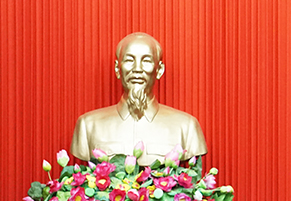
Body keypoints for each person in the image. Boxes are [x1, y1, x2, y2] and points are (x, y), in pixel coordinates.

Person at [70, 32, 207, 166]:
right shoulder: (88, 125)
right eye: (129, 60)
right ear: (117, 69)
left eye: (146, 61)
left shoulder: (186, 127)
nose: (137, 69)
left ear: (159, 70)